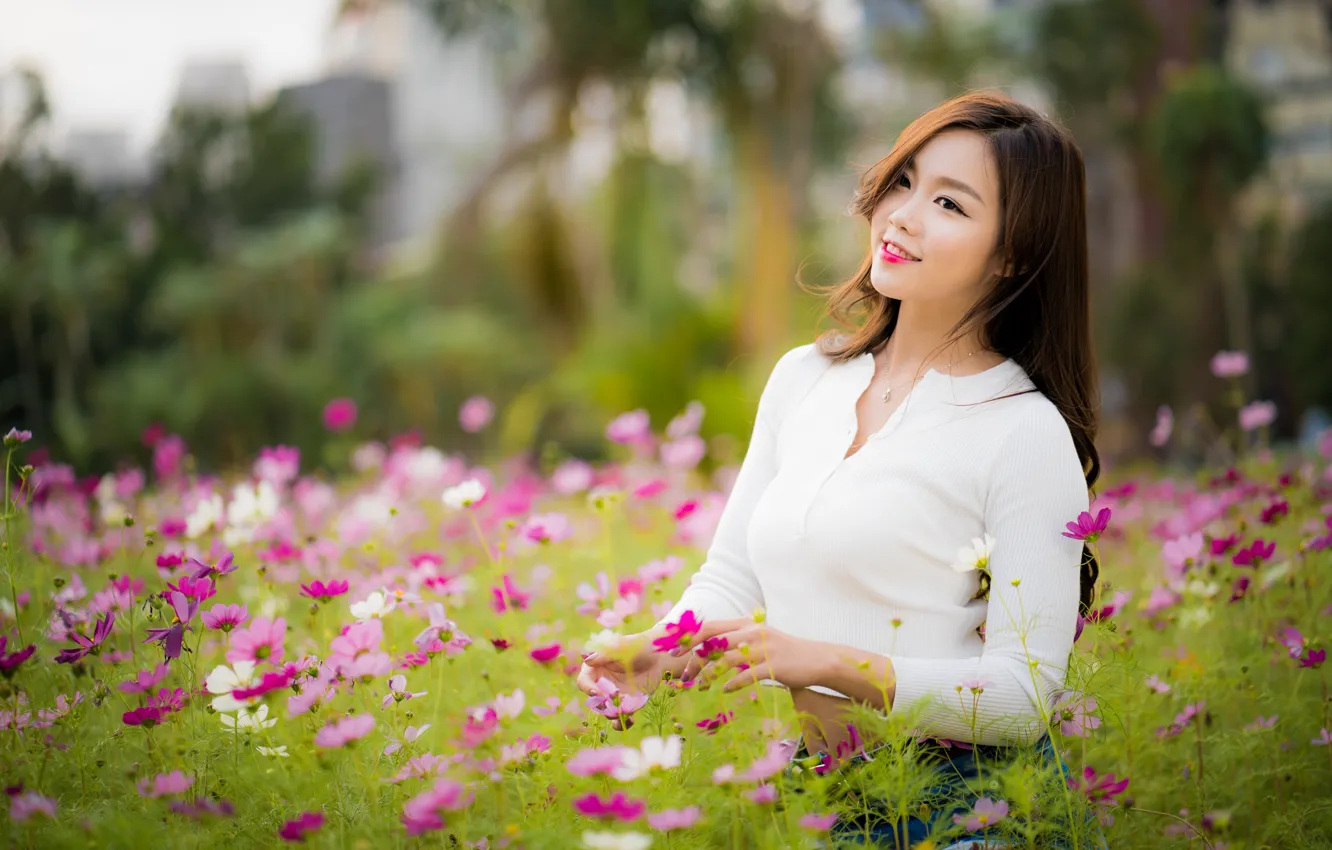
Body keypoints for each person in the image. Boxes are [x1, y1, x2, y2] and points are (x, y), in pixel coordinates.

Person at [578, 90, 1104, 848]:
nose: (903, 216)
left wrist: (825, 661)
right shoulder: (804, 380)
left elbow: (1022, 696)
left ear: (1014, 251)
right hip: (824, 797)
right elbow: (730, 579)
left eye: (950, 205)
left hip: (976, 810)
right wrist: (650, 651)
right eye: (904, 182)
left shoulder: (1023, 431)